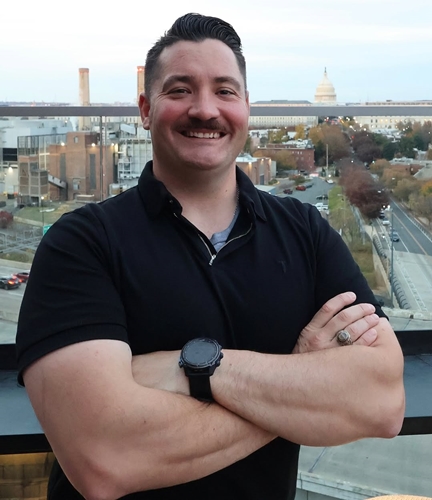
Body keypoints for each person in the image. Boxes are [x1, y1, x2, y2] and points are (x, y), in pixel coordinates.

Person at [16, 12, 405, 500]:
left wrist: (193, 369)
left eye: (224, 91)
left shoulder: (305, 232)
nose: (204, 109)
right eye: (180, 90)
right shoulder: (81, 243)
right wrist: (300, 382)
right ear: (145, 109)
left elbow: (382, 402)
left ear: (246, 107)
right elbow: (105, 458)